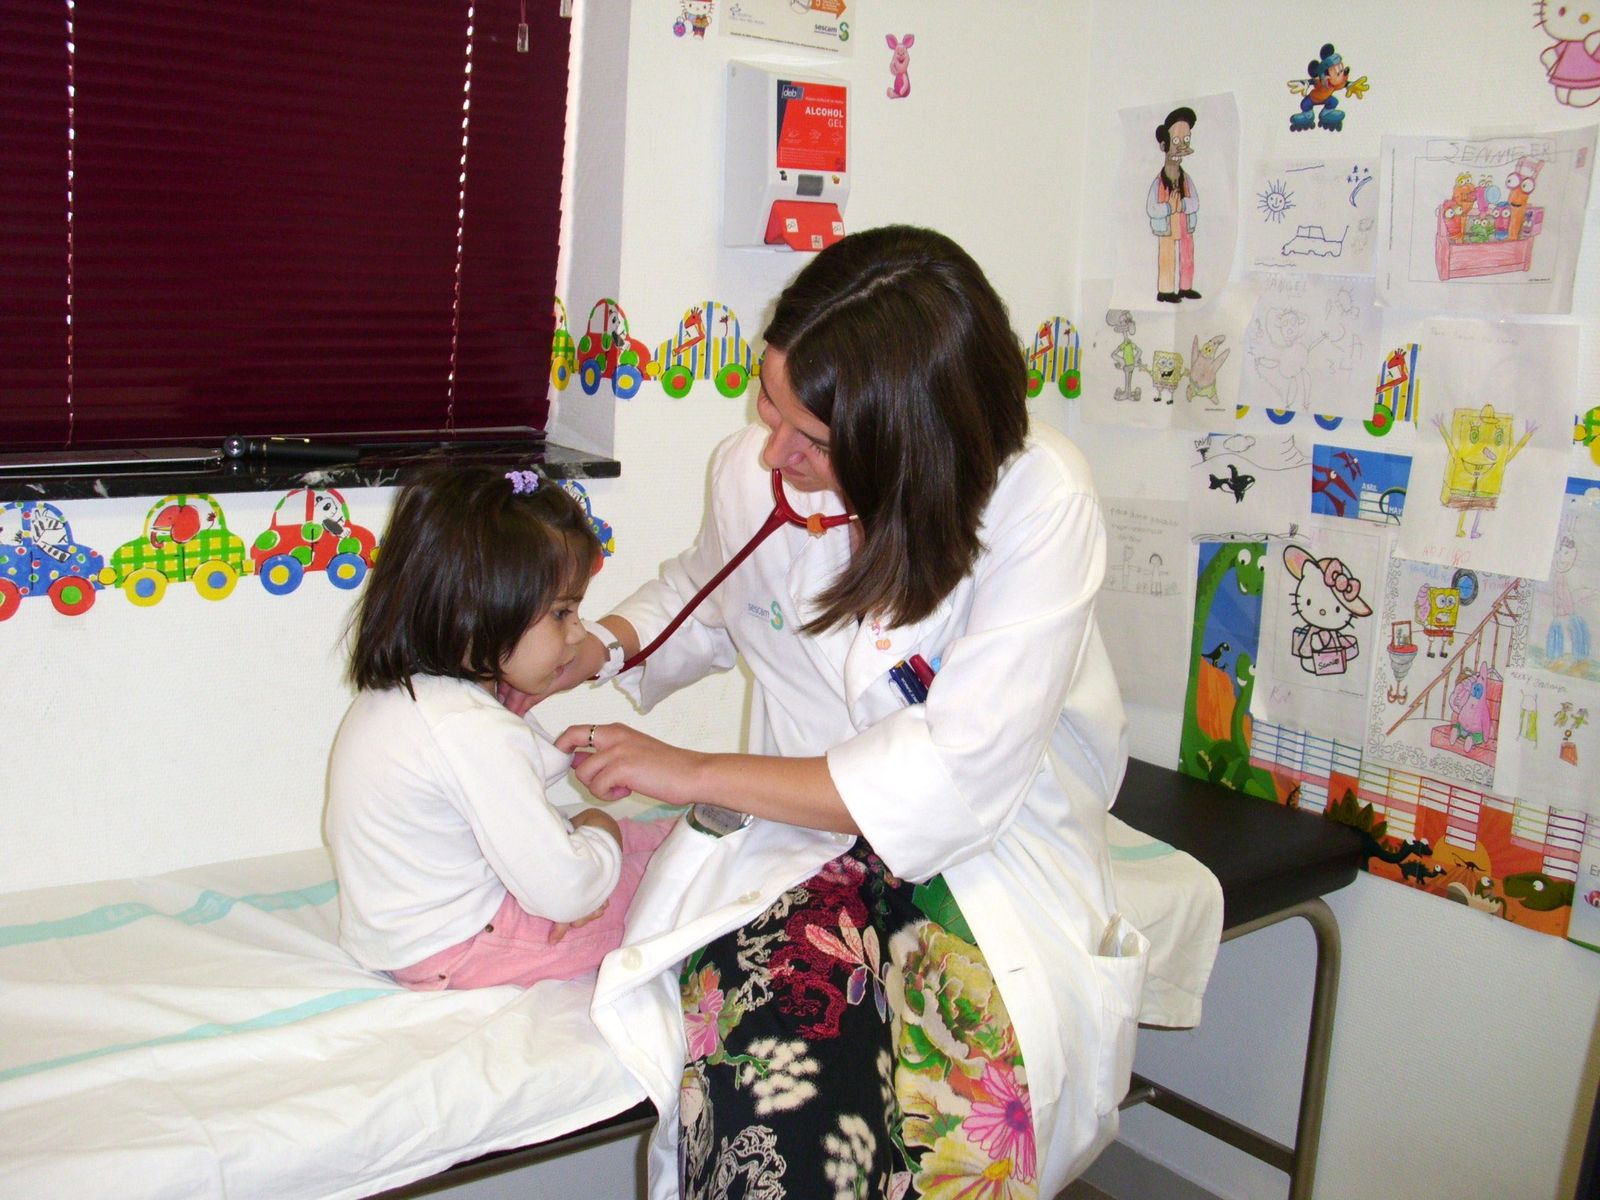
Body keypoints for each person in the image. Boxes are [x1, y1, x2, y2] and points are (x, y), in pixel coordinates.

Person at [532, 225, 1143, 1199]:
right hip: (794, 852)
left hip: (981, 861)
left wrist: (682, 770)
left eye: (812, 439)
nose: (773, 450)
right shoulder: (757, 472)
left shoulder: (1035, 505)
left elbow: (949, 784)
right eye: (767, 404)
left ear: (912, 437)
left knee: (957, 1149)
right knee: (775, 1137)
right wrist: (597, 646)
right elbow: (708, 592)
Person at [324, 465, 671, 992]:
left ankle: (676, 834)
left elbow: (487, 799)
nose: (579, 632)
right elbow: (569, 894)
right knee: (679, 884)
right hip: (465, 945)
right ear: (478, 613)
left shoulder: (403, 695)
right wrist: (599, 823)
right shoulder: (471, 728)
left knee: (654, 839)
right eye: (562, 612)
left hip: (403, 937)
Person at [1147, 105, 1200, 303]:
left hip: (1185, 224)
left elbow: (1195, 202)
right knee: (1167, 257)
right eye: (1176, 140)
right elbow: (1151, 208)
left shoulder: (1186, 179)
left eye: (1186, 139)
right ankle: (1166, 290)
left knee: (1187, 254)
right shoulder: (1159, 182)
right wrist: (1169, 208)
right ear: (1164, 144)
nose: (1182, 145)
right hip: (1166, 226)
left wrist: (1184, 205)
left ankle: (1186, 287)